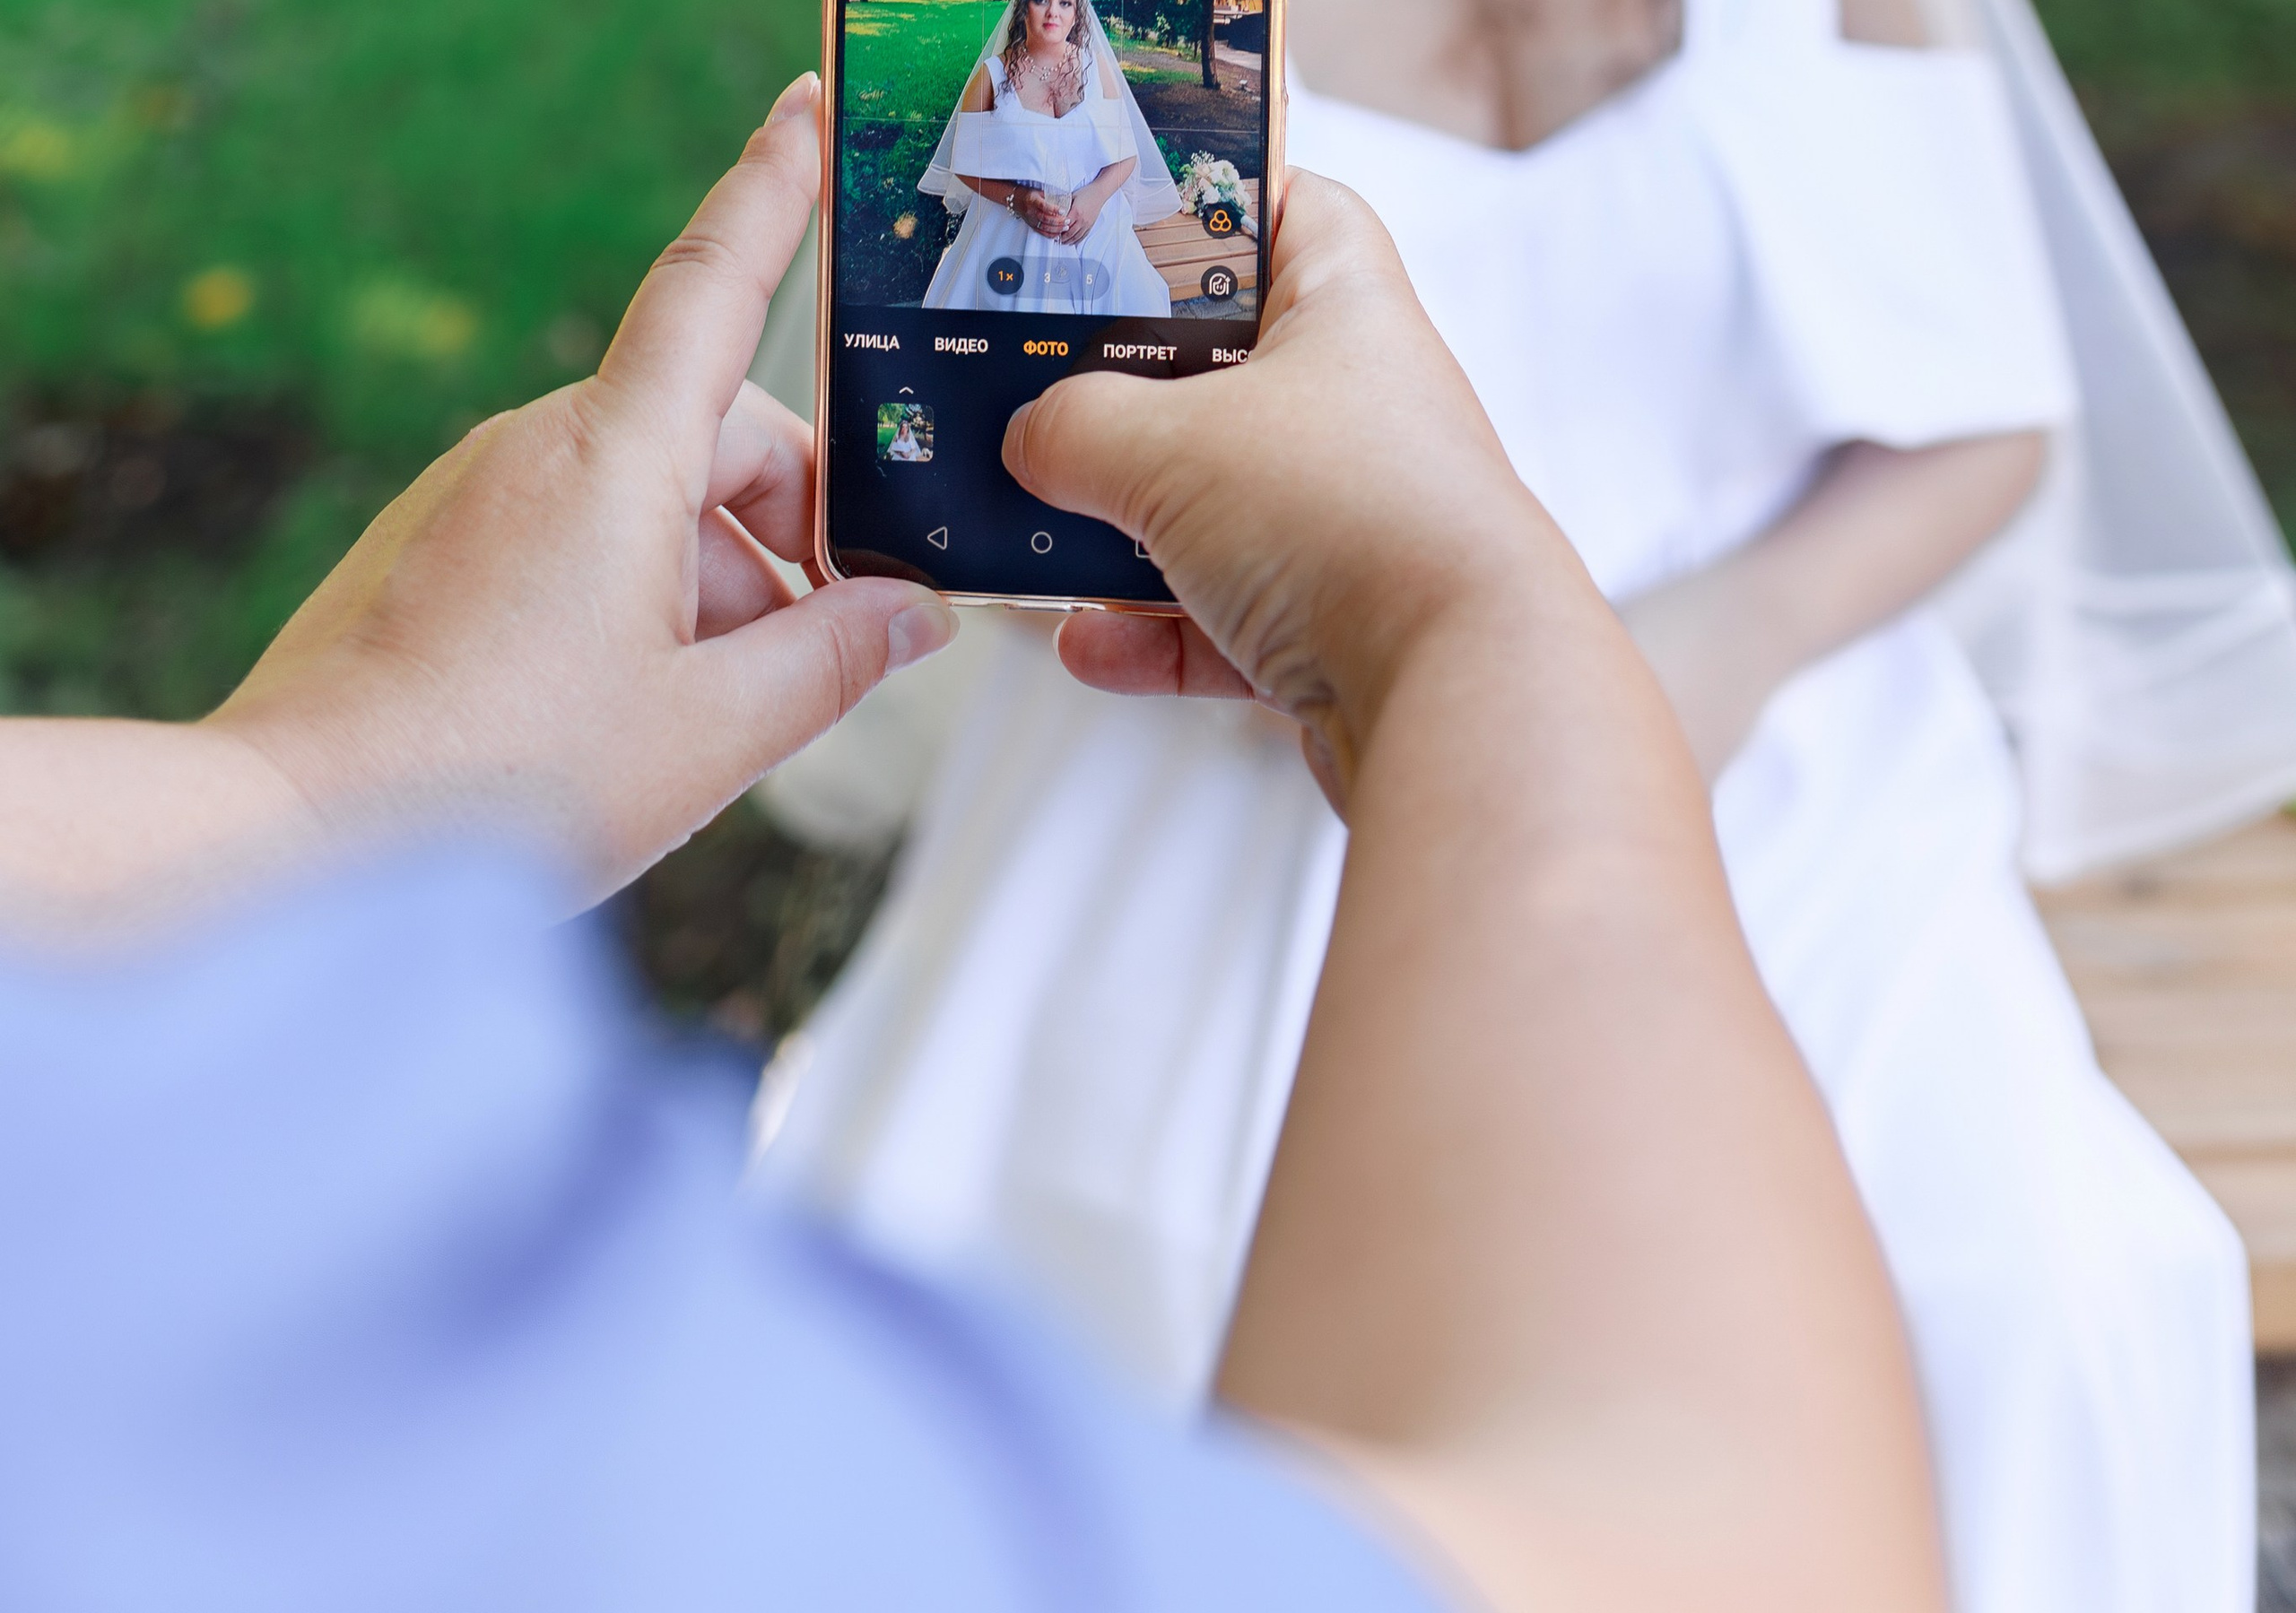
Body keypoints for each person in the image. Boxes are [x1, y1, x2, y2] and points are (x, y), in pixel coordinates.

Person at [761, 0, 2257, 1613]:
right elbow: (980, 351)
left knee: (2037, 1289)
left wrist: (1702, 655)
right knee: (1091, 1271)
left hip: (1755, 755)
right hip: (1227, 732)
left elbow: (1983, 414)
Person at [0, 84, 1947, 1613]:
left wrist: (305, 797)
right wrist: (1467, 624)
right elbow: (1715, 1550)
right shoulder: (316, 1360)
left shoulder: (149, 1235)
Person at [918, 0, 1175, 317]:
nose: (1054, 11)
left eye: (1065, 2)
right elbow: (964, 163)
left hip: (1095, 231)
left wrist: (1094, 199)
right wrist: (1019, 200)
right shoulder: (992, 76)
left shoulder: (1095, 67)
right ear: (1024, 9)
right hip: (1012, 231)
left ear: (1076, 14)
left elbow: (1126, 153)